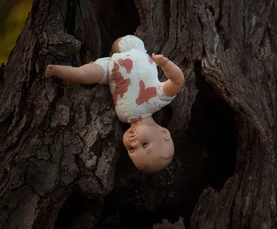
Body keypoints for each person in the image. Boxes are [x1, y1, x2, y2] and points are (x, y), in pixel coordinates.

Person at [44, 35, 185, 173]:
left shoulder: (123, 117)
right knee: (120, 42)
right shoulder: (157, 100)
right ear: (163, 133)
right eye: (145, 144)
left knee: (82, 75)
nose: (134, 143)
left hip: (110, 70)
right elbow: (177, 81)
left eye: (132, 149)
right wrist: (166, 64)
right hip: (134, 50)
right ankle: (112, 51)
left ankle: (56, 70)